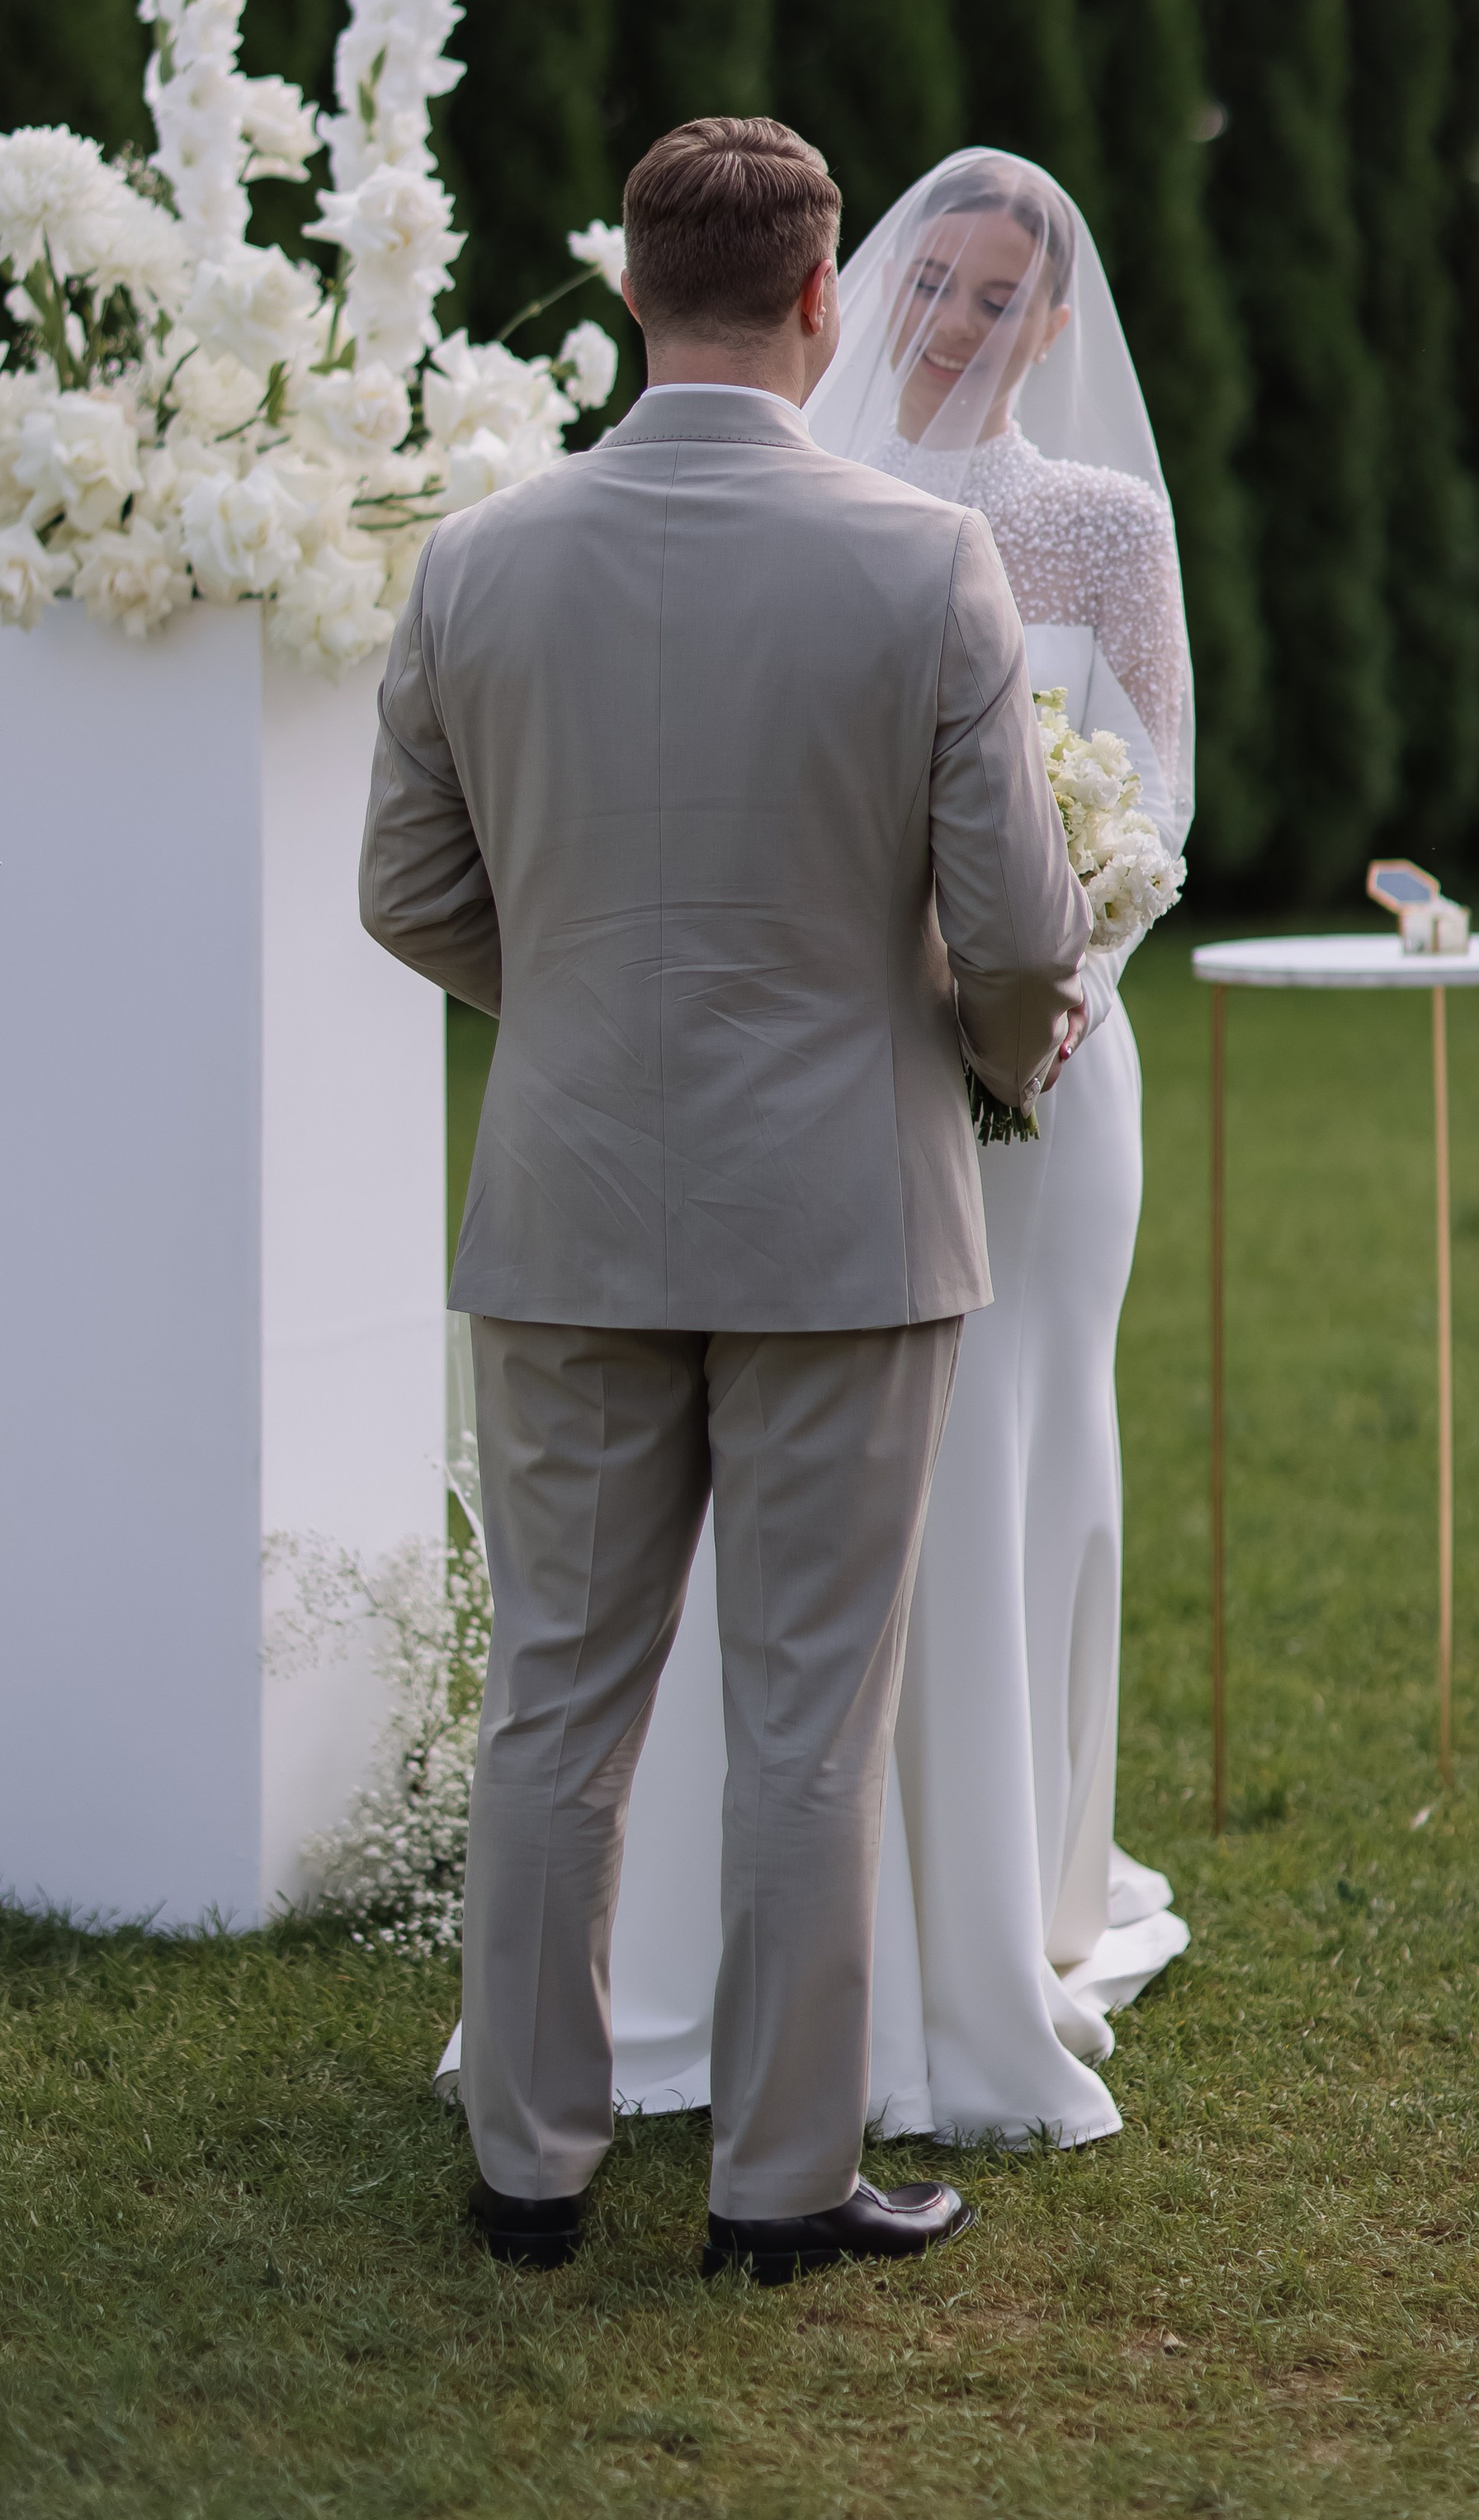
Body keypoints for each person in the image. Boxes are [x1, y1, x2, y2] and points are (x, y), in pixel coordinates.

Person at [361, 120, 1088, 2282]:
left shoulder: (476, 561)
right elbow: (1023, 925)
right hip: (846, 1220)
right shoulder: (918, 563)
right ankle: (779, 2192)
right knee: (804, 1715)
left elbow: (406, 893)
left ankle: (529, 2170)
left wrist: (573, 1010)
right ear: (820, 300)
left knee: (552, 1705)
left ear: (620, 290)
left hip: (571, 1196)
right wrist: (973, 1044)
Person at [600, 149, 1192, 2150]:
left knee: (1023, 1437)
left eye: (997, 294)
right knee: (829, 1462)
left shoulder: (1100, 531)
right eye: (928, 278)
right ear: (860, 291)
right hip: (841, 1056)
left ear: (1051, 328)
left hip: (1048, 1071)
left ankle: (1010, 1887)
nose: (953, 318)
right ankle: (816, 1910)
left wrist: (1077, 952)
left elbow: (1158, 792)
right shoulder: (807, 501)